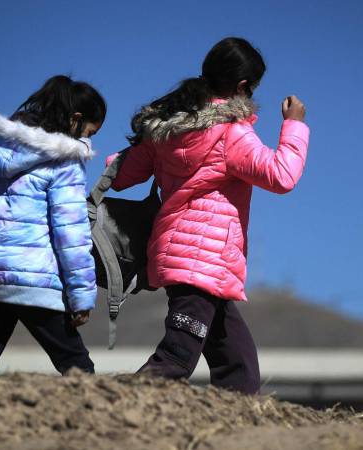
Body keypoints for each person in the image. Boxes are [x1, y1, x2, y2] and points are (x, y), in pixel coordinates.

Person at [107, 37, 309, 394]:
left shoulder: (168, 128)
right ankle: (115, 408)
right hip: (204, 261)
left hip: (183, 258)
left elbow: (121, 177)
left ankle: (240, 436)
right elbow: (281, 175)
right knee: (176, 359)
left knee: (239, 366)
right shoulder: (232, 134)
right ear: (243, 87)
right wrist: (294, 125)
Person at [0, 75, 105, 400]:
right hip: (36, 283)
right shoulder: (65, 161)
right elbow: (70, 233)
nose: (86, 142)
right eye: (89, 134)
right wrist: (81, 297)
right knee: (77, 368)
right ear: (75, 120)